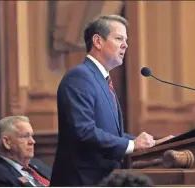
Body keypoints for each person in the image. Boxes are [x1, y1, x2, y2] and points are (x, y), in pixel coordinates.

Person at [50, 15, 173, 186]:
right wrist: (131, 144)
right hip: (82, 181)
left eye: (126, 40)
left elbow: (109, 134)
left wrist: (149, 144)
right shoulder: (79, 77)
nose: (125, 44)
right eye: (119, 38)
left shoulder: (101, 78)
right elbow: (83, 131)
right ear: (98, 41)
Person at [0, 116, 51, 187]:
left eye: (32, 136)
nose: (32, 141)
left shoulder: (37, 163)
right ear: (7, 142)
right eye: (25, 136)